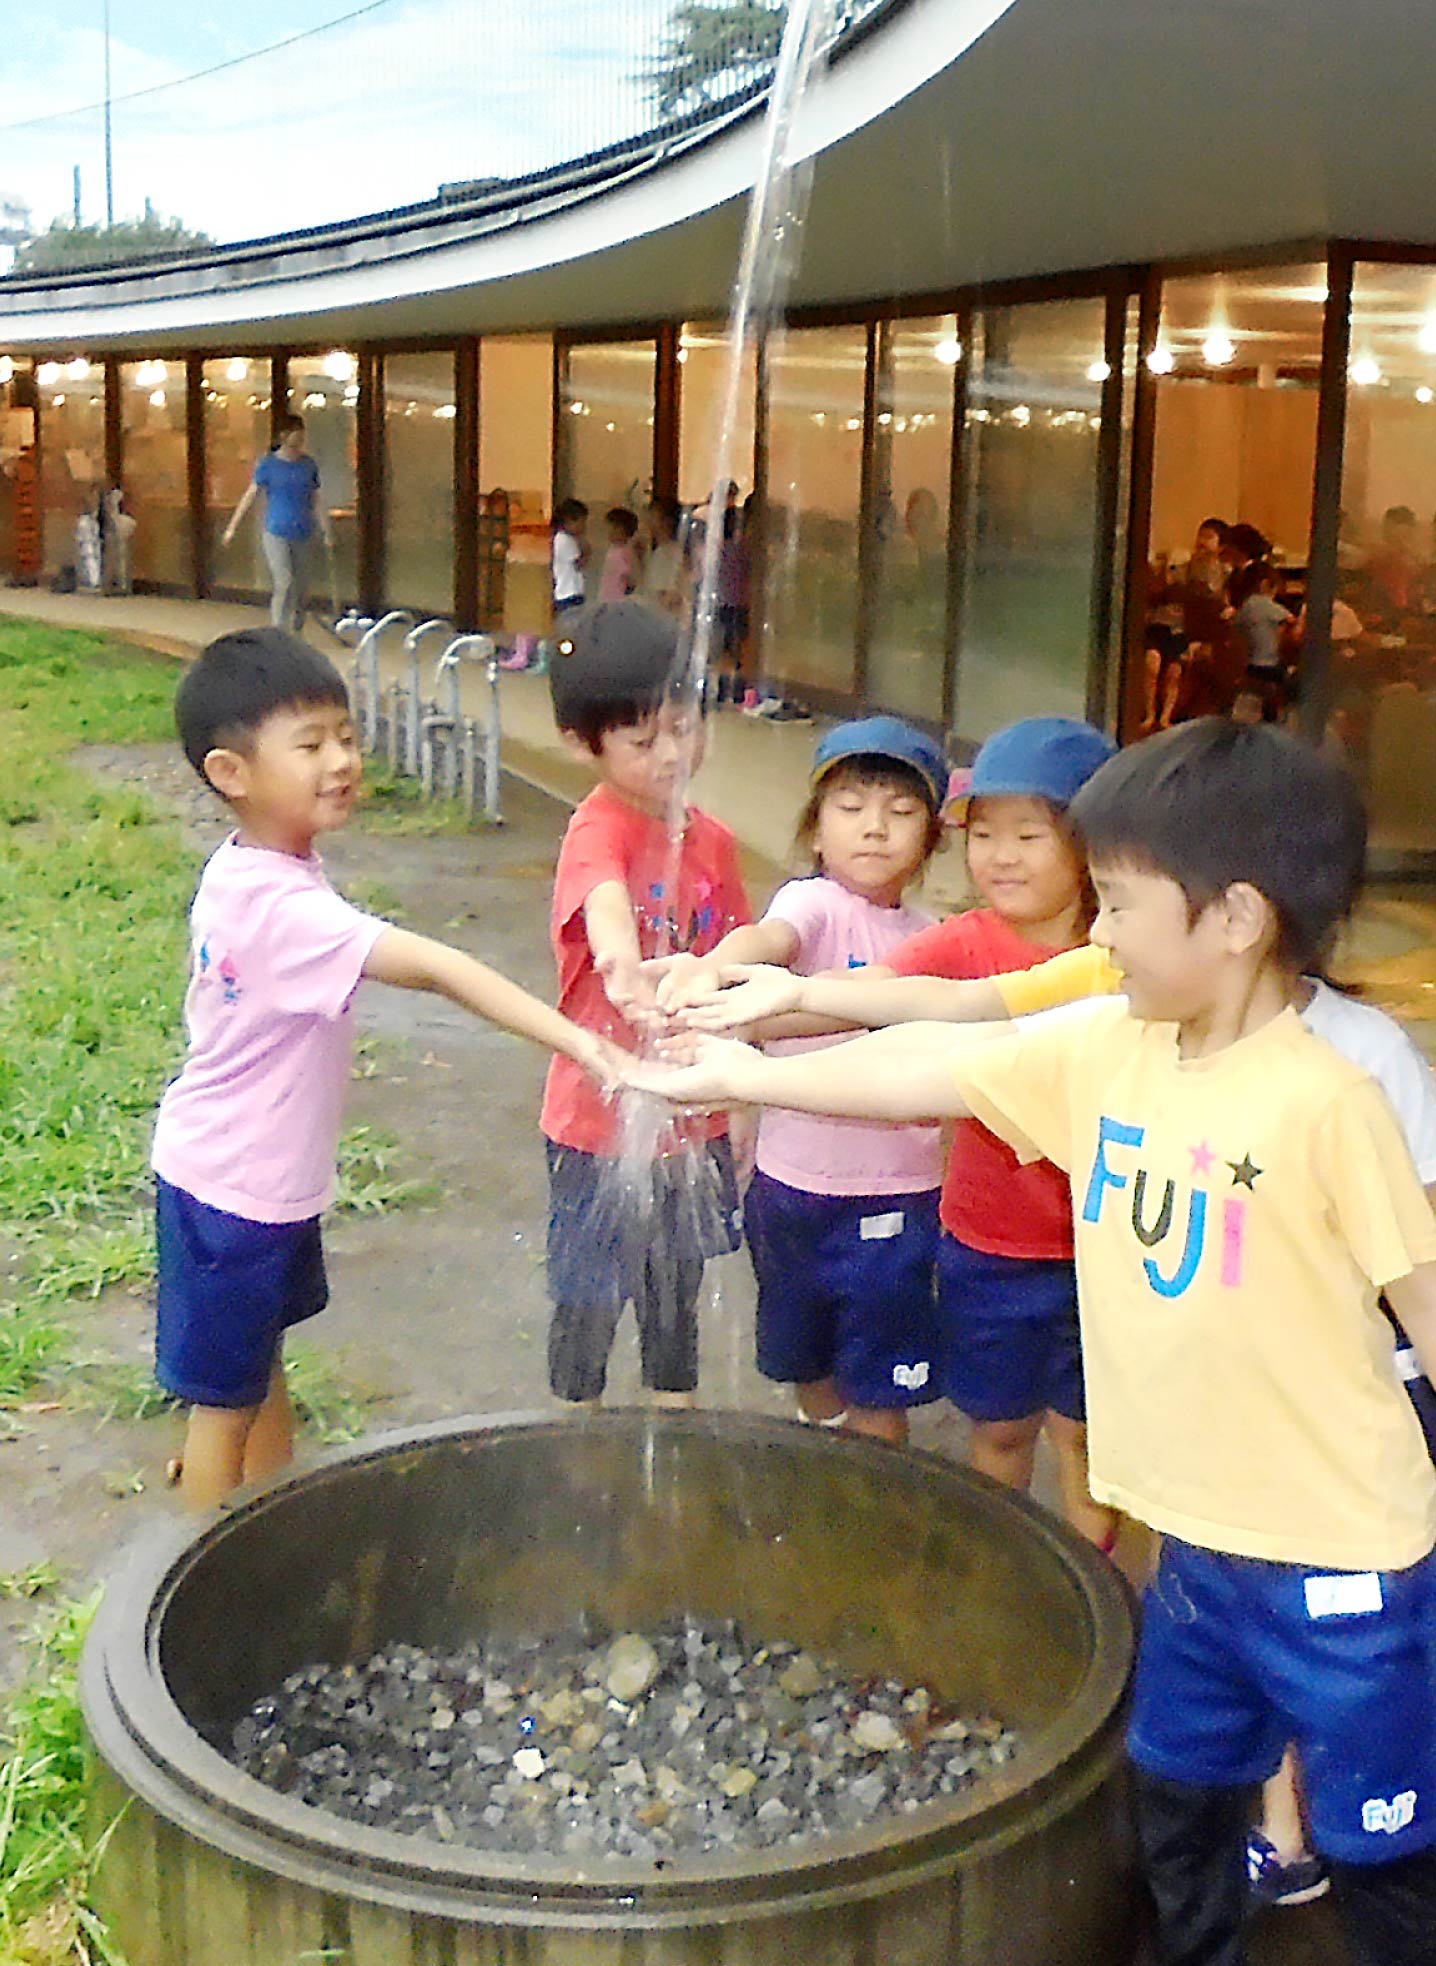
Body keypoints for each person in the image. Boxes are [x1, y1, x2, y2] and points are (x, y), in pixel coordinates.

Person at [639, 719, 1436, 1966]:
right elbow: (933, 1058)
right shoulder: (1110, 1045)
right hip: (1197, 1547)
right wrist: (746, 1068)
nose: (1097, 933)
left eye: (1114, 901)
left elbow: (1426, 1302)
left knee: (1386, 1852)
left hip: (1341, 1560)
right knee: (1176, 1794)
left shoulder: (1332, 1098)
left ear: (1232, 918)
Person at [154, 628, 613, 1511]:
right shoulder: (280, 908)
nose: (342, 761)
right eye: (312, 744)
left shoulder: (260, 865)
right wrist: (579, 1041)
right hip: (231, 1194)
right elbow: (440, 966)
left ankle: (271, 1514)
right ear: (230, 773)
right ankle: (192, 1577)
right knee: (223, 1407)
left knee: (259, 1365)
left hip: (257, 1183)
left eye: (347, 736)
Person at [656, 716, 950, 1445]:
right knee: (802, 1358)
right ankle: (826, 1449)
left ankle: (874, 1487)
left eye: (901, 812)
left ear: (930, 840)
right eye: (850, 809)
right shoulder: (811, 903)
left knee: (882, 1379)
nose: (874, 828)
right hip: (789, 1189)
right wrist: (717, 964)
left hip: (895, 1195)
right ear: (815, 832)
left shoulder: (932, 938)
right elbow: (773, 941)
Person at [883, 718, 1117, 1544]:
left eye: (1028, 833)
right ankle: (1009, 1569)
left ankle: (1108, 1610)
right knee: (999, 1430)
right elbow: (870, 993)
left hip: (1104, 1250)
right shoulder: (962, 945)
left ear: (1093, 845)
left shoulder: (1122, 951)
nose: (1000, 855)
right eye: (983, 834)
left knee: (1090, 1441)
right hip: (987, 1247)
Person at [542, 600, 749, 1409]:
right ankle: (573, 1434)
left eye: (684, 725)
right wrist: (625, 972)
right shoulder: (599, 828)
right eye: (642, 739)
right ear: (583, 743)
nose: (672, 753)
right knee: (589, 1299)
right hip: (596, 1123)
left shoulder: (717, 842)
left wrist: (745, 1095)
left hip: (691, 1119)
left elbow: (739, 955)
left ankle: (677, 1427)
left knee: (677, 1298)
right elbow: (603, 903)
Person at [222, 414, 331, 632]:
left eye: (302, 434)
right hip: (276, 531)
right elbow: (251, 494)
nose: (300, 439)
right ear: (283, 435)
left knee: (302, 587)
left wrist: (326, 529)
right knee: (284, 582)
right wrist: (232, 527)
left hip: (303, 531)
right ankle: (278, 632)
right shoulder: (268, 464)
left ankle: (297, 627)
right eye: (295, 434)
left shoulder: (308, 465)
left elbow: (316, 498)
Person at [638, 495, 688, 619]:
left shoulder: (671, 553)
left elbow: (668, 594)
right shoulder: (660, 552)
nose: (647, 521)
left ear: (667, 522)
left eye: (653, 517)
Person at [550, 497, 589, 618]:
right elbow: (578, 563)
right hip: (569, 592)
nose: (583, 526)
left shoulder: (565, 539)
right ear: (568, 521)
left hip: (569, 591)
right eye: (581, 522)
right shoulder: (565, 540)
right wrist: (587, 552)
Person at [597, 505, 642, 602]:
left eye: (611, 528)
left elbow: (630, 578)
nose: (608, 532)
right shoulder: (614, 549)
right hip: (607, 595)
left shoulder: (624, 551)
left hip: (616, 598)